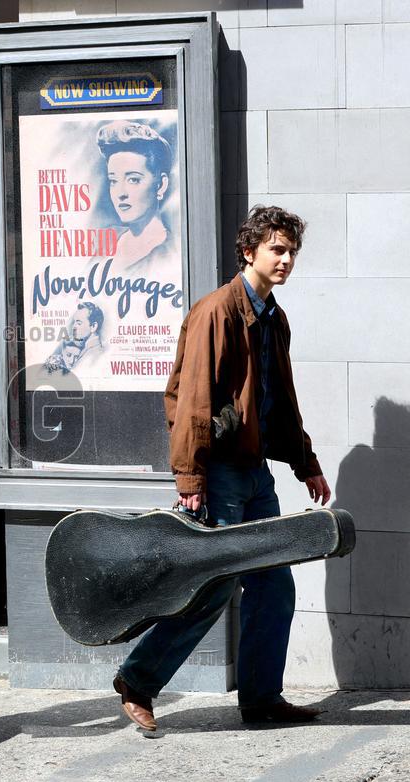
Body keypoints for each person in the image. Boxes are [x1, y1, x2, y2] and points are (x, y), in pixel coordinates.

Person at [112, 206, 332, 731]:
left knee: (275, 586)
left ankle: (260, 700)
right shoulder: (218, 312)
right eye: (276, 249)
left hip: (255, 473)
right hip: (220, 473)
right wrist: (189, 477)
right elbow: (190, 401)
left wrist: (307, 465)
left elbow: (281, 399)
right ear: (249, 251)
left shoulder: (273, 317)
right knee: (213, 586)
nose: (285, 259)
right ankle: (137, 681)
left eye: (291, 251)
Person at [96, 120, 178, 278]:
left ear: (161, 185)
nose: (121, 193)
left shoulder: (169, 256)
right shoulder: (105, 246)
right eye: (114, 181)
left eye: (133, 179)